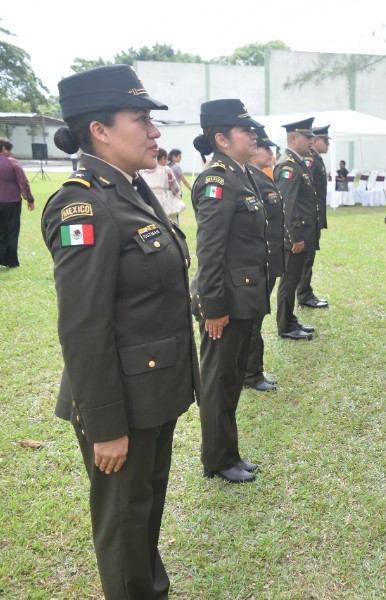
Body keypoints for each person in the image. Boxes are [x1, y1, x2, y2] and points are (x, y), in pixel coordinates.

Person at [41, 64, 199, 599]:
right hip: (122, 403)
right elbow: (83, 327)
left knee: (145, 511)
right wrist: (106, 425)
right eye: (142, 119)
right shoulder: (83, 203)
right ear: (100, 131)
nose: (155, 132)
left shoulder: (130, 188)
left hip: (153, 390)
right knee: (126, 523)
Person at [190, 98, 268, 483]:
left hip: (244, 296)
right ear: (221, 138)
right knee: (219, 382)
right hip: (227, 301)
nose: (253, 134)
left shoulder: (241, 173)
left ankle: (229, 451)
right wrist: (214, 307)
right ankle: (218, 458)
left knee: (232, 378)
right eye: (245, 130)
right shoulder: (217, 179)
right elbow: (210, 250)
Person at [243, 126, 283, 392]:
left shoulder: (260, 176)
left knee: (258, 317)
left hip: (268, 260)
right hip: (259, 262)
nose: (271, 152)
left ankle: (252, 370)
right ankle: (251, 373)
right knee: (254, 320)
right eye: (266, 147)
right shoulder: (252, 179)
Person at [274, 117, 319, 340]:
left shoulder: (297, 161)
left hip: (302, 233)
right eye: (307, 137)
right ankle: (285, 325)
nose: (312, 140)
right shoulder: (288, 166)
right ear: (294, 137)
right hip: (295, 236)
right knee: (289, 282)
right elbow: (287, 205)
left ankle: (290, 319)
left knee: (292, 280)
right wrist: (294, 237)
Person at [298, 124, 330, 309]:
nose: (328, 144)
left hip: (314, 217)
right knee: (306, 259)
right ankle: (304, 294)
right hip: (308, 218)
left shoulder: (315, 158)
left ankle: (305, 291)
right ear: (316, 141)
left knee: (309, 257)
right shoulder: (309, 159)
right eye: (325, 141)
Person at [0, 137, 34, 268]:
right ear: (4, 149)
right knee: (12, 230)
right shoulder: (13, 163)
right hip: (12, 201)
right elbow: (23, 182)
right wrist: (30, 199)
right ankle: (11, 261)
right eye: (9, 150)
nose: (11, 153)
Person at [140, 148, 185, 223]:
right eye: (166, 159)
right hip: (164, 201)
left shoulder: (142, 170)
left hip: (146, 201)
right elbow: (175, 187)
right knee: (168, 224)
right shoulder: (166, 170)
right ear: (163, 158)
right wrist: (178, 194)